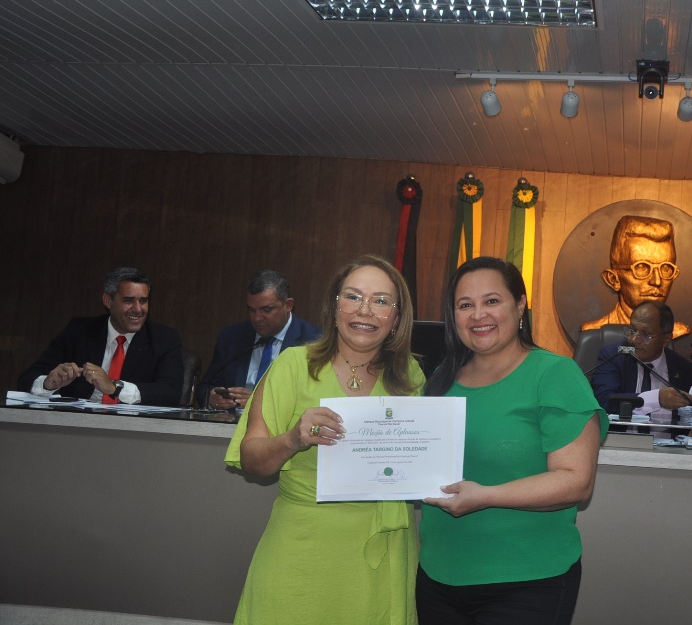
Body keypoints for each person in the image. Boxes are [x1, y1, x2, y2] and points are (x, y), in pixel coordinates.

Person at [224, 255, 424, 625]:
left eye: (381, 301)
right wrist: (293, 439)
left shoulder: (410, 375)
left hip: (384, 552)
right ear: (334, 307)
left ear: (396, 319)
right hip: (303, 549)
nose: (365, 310)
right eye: (353, 296)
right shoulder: (292, 365)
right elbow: (251, 460)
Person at [417, 256, 608, 625]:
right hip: (439, 573)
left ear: (520, 306)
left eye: (492, 301)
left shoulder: (555, 374)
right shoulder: (441, 377)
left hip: (527, 580)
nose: (478, 315)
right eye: (465, 305)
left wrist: (487, 496)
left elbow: (576, 482)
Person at [16, 266, 184, 406]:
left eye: (143, 301)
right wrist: (49, 383)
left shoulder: (164, 339)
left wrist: (114, 388)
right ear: (108, 301)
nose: (138, 309)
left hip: (133, 429)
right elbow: (27, 378)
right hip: (78, 425)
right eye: (128, 301)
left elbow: (171, 392)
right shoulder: (78, 331)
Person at [200, 269, 320, 411]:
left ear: (288, 305)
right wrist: (211, 398)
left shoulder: (314, 342)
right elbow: (204, 387)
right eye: (252, 310)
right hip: (231, 422)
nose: (257, 318)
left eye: (266, 310)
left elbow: (315, 401)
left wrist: (259, 403)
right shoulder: (231, 336)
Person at [581, 215, 690, 338]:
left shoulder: (678, 331)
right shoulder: (595, 332)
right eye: (641, 268)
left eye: (665, 269)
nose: (657, 281)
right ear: (613, 279)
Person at [590, 301, 692, 414]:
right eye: (633, 331)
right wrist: (656, 399)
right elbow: (604, 401)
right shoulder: (613, 356)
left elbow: (688, 411)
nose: (634, 340)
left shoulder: (683, 368)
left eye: (646, 335)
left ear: (666, 339)